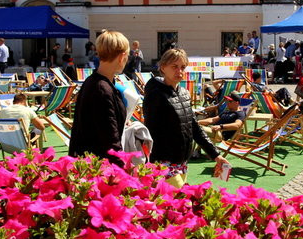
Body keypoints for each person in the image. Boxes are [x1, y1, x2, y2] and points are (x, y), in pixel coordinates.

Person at [143, 48, 228, 187]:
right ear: (163, 68)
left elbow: (194, 127)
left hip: (181, 162)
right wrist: (154, 163)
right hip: (163, 163)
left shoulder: (183, 93)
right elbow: (150, 131)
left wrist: (216, 155)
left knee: (177, 206)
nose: (180, 71)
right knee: (181, 201)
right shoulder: (155, 94)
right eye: (174, 67)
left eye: (183, 67)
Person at [68, 30, 130, 163]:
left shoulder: (94, 82)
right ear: (122, 57)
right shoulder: (102, 89)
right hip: (98, 169)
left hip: (88, 162)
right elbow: (110, 141)